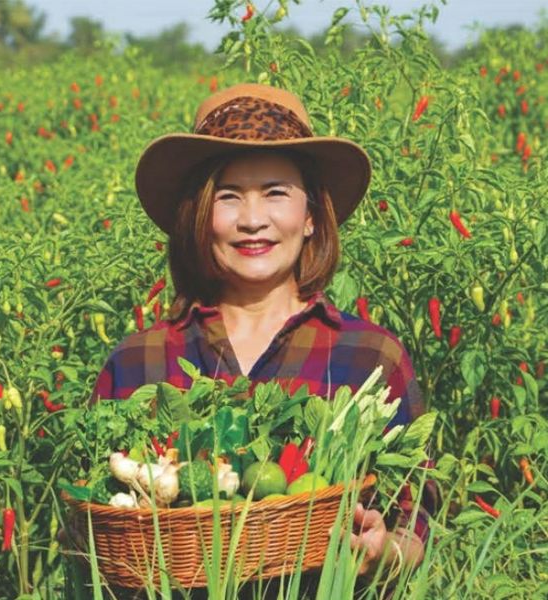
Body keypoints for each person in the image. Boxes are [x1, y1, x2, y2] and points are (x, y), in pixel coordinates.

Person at [89, 83, 437, 599]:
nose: (253, 220)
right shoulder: (140, 360)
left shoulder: (368, 355)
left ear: (313, 216)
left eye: (276, 192)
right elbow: (96, 527)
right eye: (228, 196)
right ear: (198, 217)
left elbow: (418, 519)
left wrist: (384, 549)